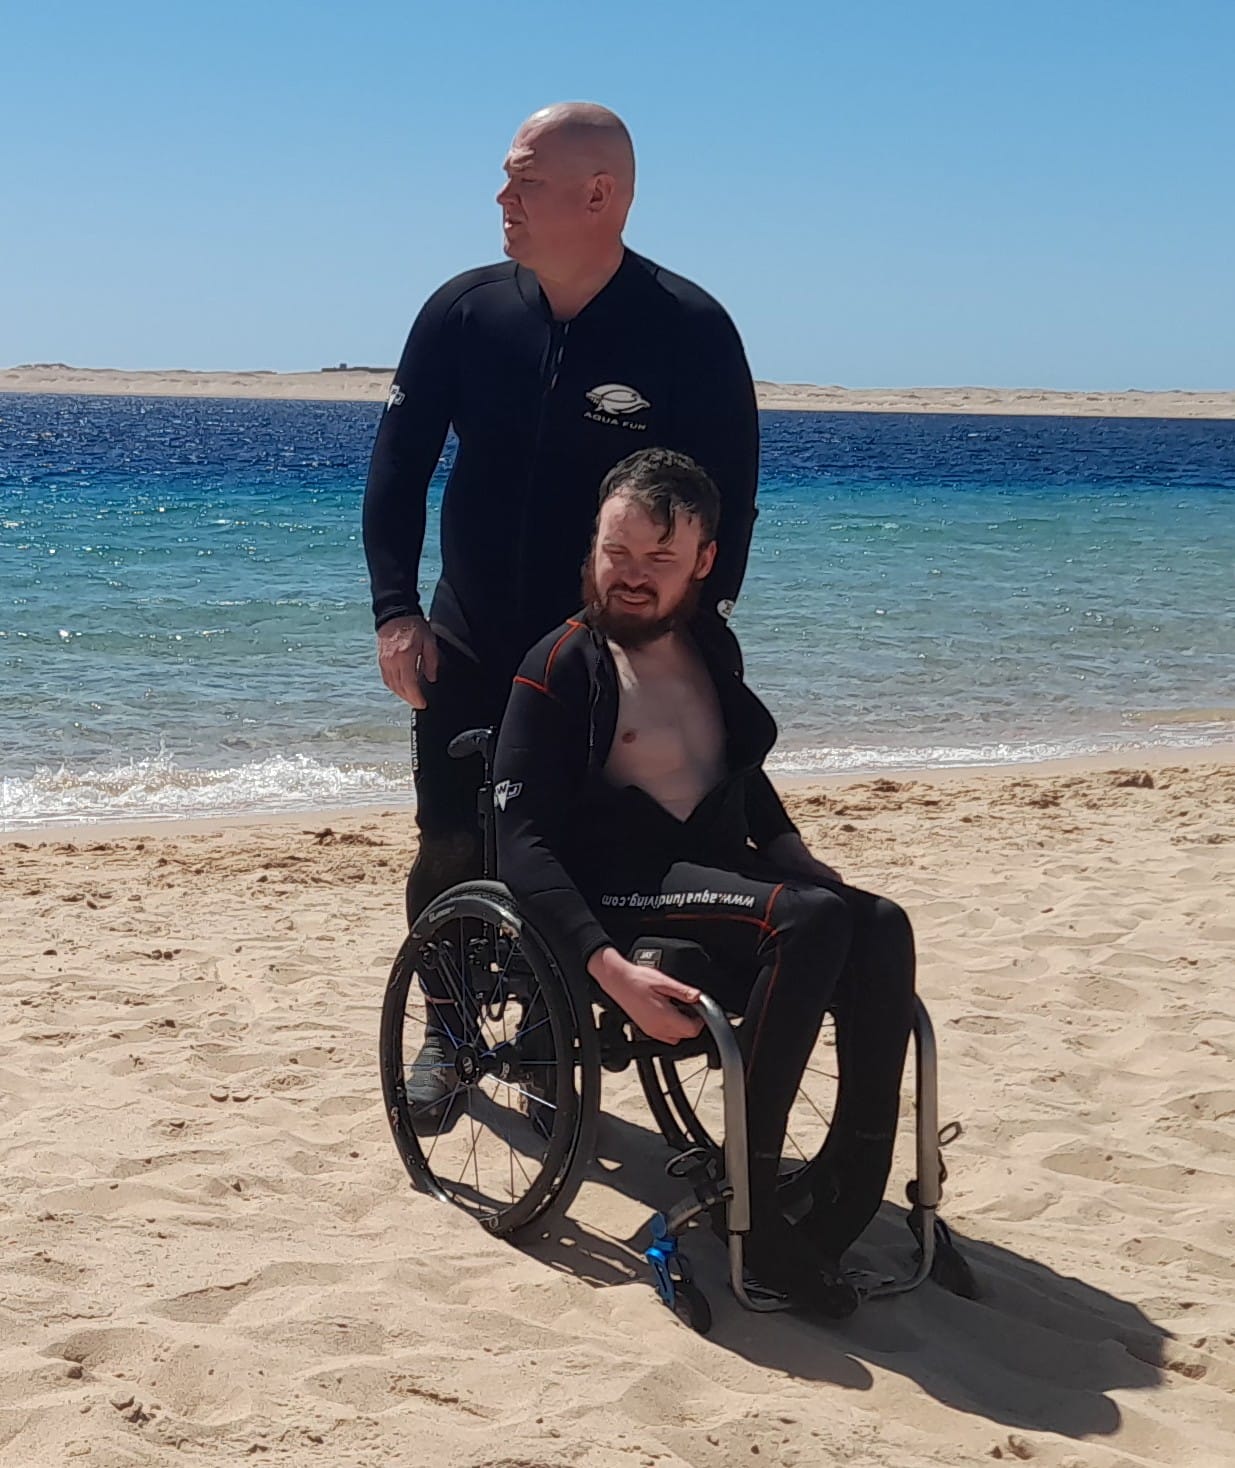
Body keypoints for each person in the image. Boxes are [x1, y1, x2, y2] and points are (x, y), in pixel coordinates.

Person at [492, 448, 916, 1313]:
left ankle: (849, 1181)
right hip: (620, 886)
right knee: (805, 921)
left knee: (879, 923)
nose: (633, 577)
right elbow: (520, 842)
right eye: (617, 552)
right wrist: (606, 969)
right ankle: (753, 1211)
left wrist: (793, 848)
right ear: (592, 545)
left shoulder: (708, 645)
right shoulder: (560, 665)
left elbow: (735, 772)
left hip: (713, 868)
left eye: (659, 558)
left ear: (704, 562)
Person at [362, 102, 760, 934]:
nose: (502, 198)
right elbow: (398, 469)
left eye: (525, 181)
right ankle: (449, 1035)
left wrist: (694, 630)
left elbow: (727, 503)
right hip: (468, 638)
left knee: (595, 842)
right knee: (448, 843)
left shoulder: (688, 330)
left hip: (604, 648)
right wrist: (396, 612)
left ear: (598, 195)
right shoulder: (463, 312)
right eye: (506, 179)